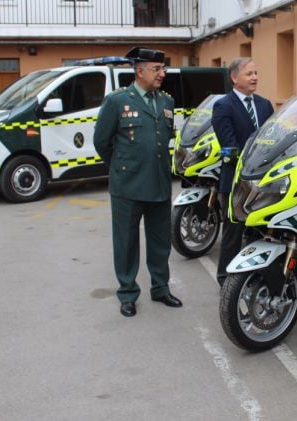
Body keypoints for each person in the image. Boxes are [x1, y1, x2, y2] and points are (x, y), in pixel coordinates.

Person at [93, 46, 182, 317]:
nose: (162, 73)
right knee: (126, 242)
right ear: (139, 71)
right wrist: (122, 168)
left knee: (160, 241)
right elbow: (101, 142)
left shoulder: (166, 102)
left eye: (162, 68)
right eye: (156, 69)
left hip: (158, 182)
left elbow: (163, 138)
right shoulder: (118, 101)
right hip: (127, 186)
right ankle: (128, 293)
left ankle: (160, 288)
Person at [211, 57, 274, 287]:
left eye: (256, 73)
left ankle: (254, 276)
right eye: (249, 74)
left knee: (259, 232)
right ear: (234, 78)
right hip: (236, 181)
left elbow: (272, 137)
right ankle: (225, 280)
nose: (255, 77)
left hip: (264, 182)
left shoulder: (265, 105)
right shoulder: (223, 106)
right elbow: (229, 143)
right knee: (232, 233)